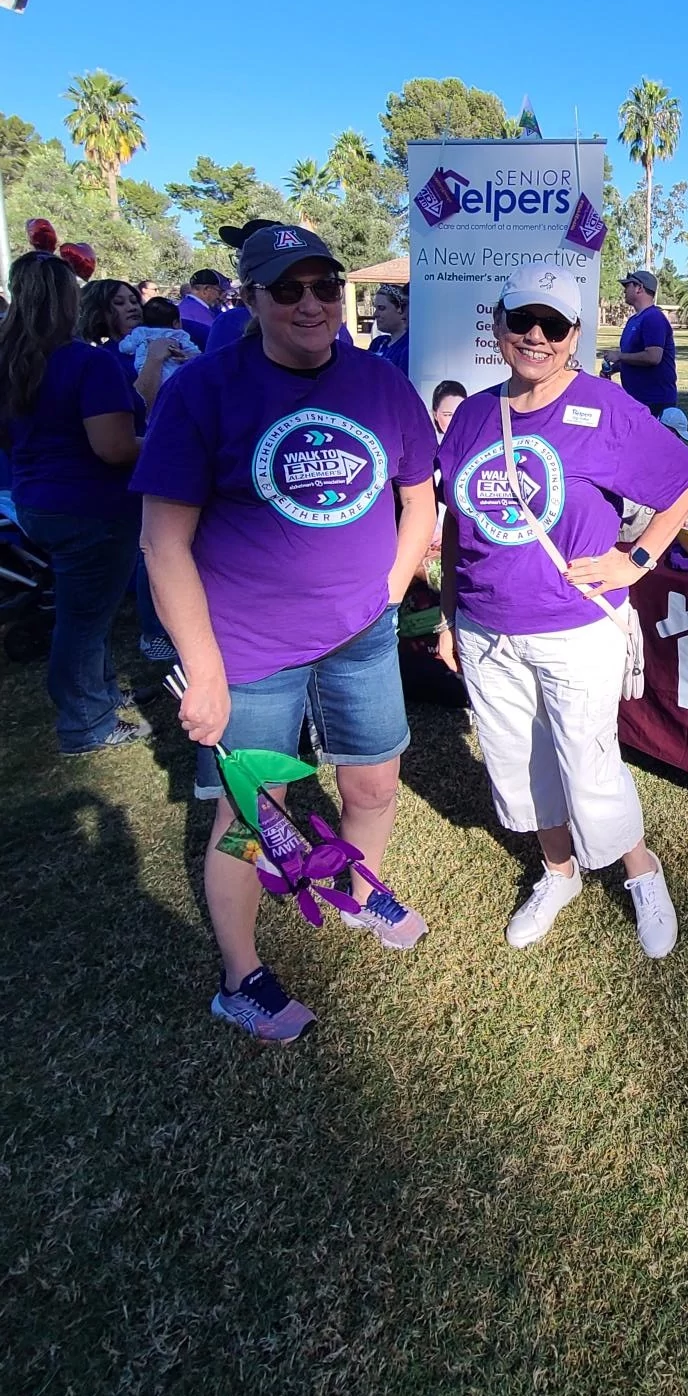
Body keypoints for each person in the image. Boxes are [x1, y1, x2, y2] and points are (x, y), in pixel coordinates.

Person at [135, 223, 438, 1042]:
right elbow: (162, 542)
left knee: (372, 787)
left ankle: (355, 885)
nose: (311, 303)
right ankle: (243, 976)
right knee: (249, 822)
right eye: (288, 289)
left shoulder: (381, 384)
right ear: (253, 298)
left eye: (324, 286)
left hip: (362, 638)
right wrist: (202, 669)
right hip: (248, 653)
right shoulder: (203, 391)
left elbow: (420, 498)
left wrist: (389, 587)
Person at [437, 264, 688, 958]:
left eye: (552, 325)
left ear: (574, 336)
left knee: (588, 760)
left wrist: (635, 560)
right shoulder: (471, 416)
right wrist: (447, 616)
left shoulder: (603, 407)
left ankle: (640, 871)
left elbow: (686, 480)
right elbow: (457, 528)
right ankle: (559, 873)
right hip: (486, 627)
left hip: (574, 624)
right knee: (516, 761)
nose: (536, 336)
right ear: (498, 326)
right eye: (522, 321)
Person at [0, 252, 170, 752]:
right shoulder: (86, 363)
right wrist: (165, 443)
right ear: (69, 299)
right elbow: (114, 448)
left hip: (36, 500)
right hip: (91, 507)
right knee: (83, 620)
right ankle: (85, 723)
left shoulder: (11, 360)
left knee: (83, 612)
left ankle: (98, 695)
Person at [76, 277, 183, 661]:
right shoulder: (105, 358)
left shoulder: (154, 341)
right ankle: (154, 633)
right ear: (101, 312)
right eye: (120, 303)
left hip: (171, 448)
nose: (132, 307)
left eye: (133, 300)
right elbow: (139, 402)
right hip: (139, 457)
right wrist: (154, 361)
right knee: (150, 548)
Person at [602, 268, 679, 425]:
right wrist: (612, 368)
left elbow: (653, 357)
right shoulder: (633, 321)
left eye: (627, 286)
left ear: (639, 288)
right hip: (636, 399)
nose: (624, 291)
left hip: (655, 401)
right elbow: (633, 359)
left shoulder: (653, 318)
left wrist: (619, 356)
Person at [177, 270, 229, 351]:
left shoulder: (185, 307)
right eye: (220, 292)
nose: (223, 298)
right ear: (206, 290)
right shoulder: (193, 313)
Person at [369, 284, 410, 376]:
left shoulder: (409, 346)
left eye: (381, 308)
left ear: (401, 309)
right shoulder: (377, 343)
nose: (375, 314)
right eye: (376, 308)